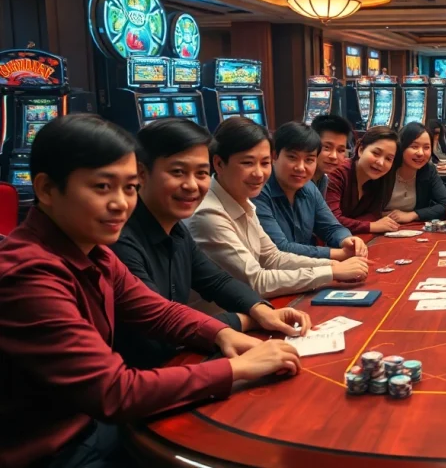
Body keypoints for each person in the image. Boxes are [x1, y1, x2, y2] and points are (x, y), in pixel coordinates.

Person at [0, 115, 300, 468]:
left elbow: (159, 311)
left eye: (128, 188)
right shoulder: (28, 274)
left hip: (94, 427)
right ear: (47, 189)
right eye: (102, 187)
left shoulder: (91, 249)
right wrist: (237, 369)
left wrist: (221, 332)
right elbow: (114, 392)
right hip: (54, 452)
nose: (121, 203)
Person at [112, 119, 312, 370]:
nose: (192, 185)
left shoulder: (175, 228)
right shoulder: (119, 239)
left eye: (201, 173)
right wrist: (244, 321)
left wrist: (262, 310)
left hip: (181, 362)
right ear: (141, 173)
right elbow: (159, 325)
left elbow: (216, 281)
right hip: (148, 378)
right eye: (178, 172)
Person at [189, 117, 367, 298]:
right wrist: (331, 271)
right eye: (247, 163)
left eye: (264, 163)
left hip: (255, 307)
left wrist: (332, 266)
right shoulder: (208, 214)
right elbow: (257, 281)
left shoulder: (244, 198)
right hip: (222, 318)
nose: (258, 173)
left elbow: (273, 257)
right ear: (219, 163)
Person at [253, 122, 368, 260]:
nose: (301, 167)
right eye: (292, 157)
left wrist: (347, 240)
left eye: (309, 160)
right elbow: (280, 248)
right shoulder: (258, 191)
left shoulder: (309, 188)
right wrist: (338, 254)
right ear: (274, 156)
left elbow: (331, 228)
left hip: (308, 272)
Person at [325, 126, 401, 234]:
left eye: (388, 159)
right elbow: (332, 220)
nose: (381, 162)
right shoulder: (337, 173)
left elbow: (374, 214)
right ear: (360, 149)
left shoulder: (381, 178)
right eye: (376, 153)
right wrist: (371, 226)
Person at [385, 122, 446, 224]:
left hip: (411, 229)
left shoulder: (428, 170)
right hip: (375, 228)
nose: (420, 153)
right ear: (401, 146)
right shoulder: (385, 168)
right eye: (414, 147)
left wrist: (413, 215)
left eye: (426, 147)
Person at [310, 114, 352, 197]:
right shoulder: (299, 180)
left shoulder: (323, 180)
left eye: (341, 150)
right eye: (327, 147)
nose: (334, 156)